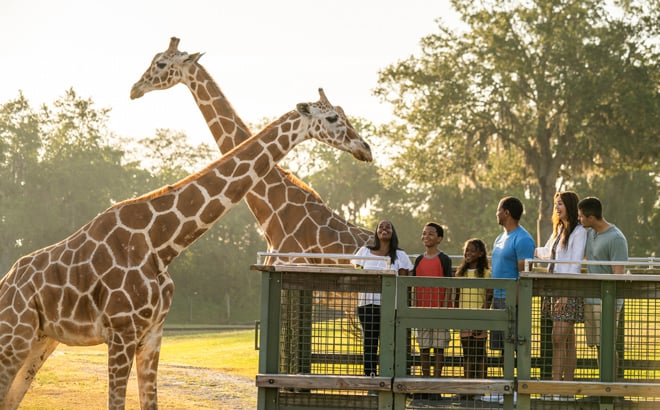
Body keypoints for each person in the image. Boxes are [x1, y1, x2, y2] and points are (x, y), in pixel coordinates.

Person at [535, 192, 586, 400]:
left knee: (558, 338)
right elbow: (547, 252)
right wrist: (528, 250)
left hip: (568, 291)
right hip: (554, 289)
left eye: (561, 204)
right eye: (556, 203)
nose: (557, 207)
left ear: (571, 206)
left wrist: (565, 293)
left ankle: (559, 387)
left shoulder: (579, 231)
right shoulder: (558, 229)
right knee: (567, 340)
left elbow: (574, 264)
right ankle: (567, 388)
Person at [353, 220, 413, 378]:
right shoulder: (364, 252)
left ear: (393, 232)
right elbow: (357, 273)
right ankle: (370, 376)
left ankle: (391, 376)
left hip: (390, 306)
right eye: (381, 227)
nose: (384, 229)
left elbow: (404, 280)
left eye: (388, 227)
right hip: (367, 304)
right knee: (370, 342)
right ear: (376, 231)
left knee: (389, 342)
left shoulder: (400, 255)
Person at [578, 197, 628, 370]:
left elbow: (618, 273)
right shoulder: (591, 233)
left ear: (591, 217)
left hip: (607, 301)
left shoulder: (616, 238)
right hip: (591, 299)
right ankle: (603, 389)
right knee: (599, 346)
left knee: (607, 344)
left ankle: (611, 389)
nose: (580, 219)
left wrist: (610, 302)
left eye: (581, 216)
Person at [490, 196, 536, 351]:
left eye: (498, 210)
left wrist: (514, 304)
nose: (496, 213)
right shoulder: (499, 238)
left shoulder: (523, 239)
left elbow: (524, 276)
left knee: (514, 346)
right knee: (502, 349)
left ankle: (518, 376)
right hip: (497, 299)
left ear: (506, 213)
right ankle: (506, 377)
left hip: (511, 301)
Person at [411, 222, 452, 379]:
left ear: (439, 238)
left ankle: (436, 381)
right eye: (424, 233)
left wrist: (444, 308)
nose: (426, 236)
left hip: (440, 311)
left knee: (439, 347)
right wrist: (414, 308)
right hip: (422, 311)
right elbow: (414, 285)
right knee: (424, 347)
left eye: (431, 233)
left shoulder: (444, 259)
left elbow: (449, 285)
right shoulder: (419, 260)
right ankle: (425, 381)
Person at [455, 238, 492, 384]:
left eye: (472, 250)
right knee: (468, 354)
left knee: (480, 354)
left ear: (480, 253)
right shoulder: (461, 274)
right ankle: (467, 385)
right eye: (466, 250)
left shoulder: (486, 274)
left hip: (480, 318)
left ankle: (481, 387)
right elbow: (457, 296)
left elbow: (488, 297)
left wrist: (482, 318)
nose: (468, 253)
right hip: (465, 318)